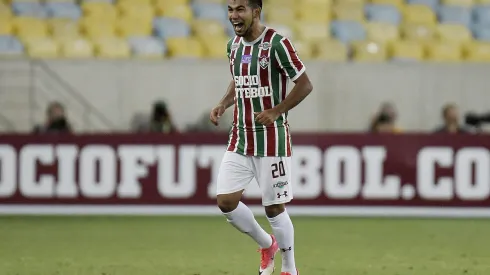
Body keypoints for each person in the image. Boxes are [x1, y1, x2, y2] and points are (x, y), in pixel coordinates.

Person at [209, 1, 313, 274]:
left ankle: (290, 267)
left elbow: (304, 84)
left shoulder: (277, 43)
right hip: (240, 138)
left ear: (256, 11)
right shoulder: (233, 46)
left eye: (240, 9)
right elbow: (239, 79)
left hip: (271, 139)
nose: (233, 15)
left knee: (273, 208)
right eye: (230, 9)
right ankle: (268, 245)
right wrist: (223, 103)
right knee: (226, 202)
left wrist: (277, 110)